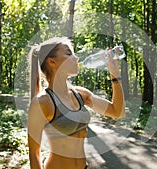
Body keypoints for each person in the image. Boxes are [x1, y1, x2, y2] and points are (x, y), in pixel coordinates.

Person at [27, 37, 125, 169]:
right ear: (52, 61)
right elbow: (34, 153)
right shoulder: (42, 102)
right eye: (68, 54)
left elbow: (117, 112)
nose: (76, 58)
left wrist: (115, 75)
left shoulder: (80, 94)